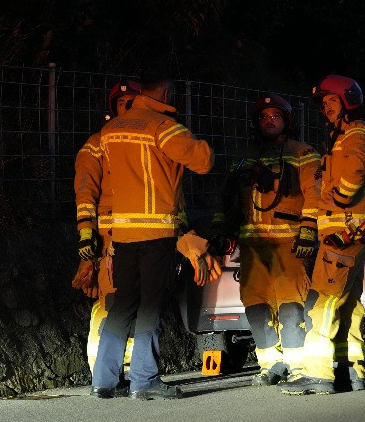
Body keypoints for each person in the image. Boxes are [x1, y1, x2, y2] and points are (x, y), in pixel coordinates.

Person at [91, 66, 215, 400]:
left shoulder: (110, 130)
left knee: (122, 306)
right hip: (157, 231)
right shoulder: (162, 126)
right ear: (162, 93)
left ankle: (103, 381)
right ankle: (144, 381)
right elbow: (203, 161)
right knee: (150, 307)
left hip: (122, 234)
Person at [279, 75, 365, 395]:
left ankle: (317, 373)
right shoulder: (349, 135)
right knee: (348, 304)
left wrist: (338, 198)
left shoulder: (354, 134)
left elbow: (354, 171)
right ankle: (350, 371)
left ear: (348, 100)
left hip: (344, 230)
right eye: (323, 105)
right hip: (351, 231)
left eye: (331, 102)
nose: (326, 109)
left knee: (321, 301)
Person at [210, 94, 319, 386]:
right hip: (253, 247)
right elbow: (226, 198)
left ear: (287, 121)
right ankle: (270, 364)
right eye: (263, 117)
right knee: (255, 306)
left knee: (290, 305)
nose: (269, 120)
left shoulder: (303, 153)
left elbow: (315, 193)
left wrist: (309, 228)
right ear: (255, 123)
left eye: (276, 116)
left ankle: (297, 366)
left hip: (290, 244)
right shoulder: (243, 159)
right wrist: (219, 229)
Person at [72, 81, 140, 390]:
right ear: (112, 108)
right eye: (122, 102)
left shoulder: (146, 141)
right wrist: (87, 233)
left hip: (142, 234)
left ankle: (125, 369)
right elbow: (86, 189)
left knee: (134, 301)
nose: (127, 106)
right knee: (110, 301)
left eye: (133, 101)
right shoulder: (98, 143)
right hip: (111, 236)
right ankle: (107, 371)